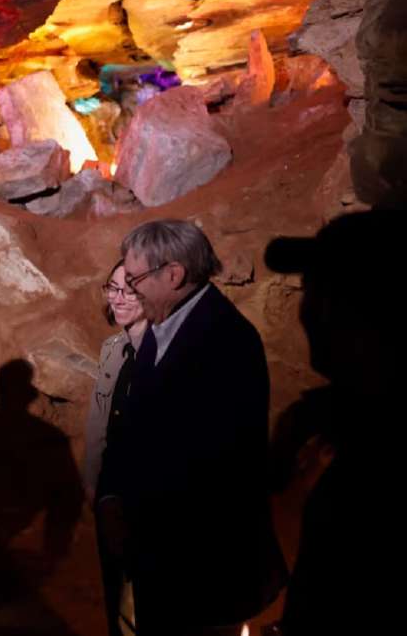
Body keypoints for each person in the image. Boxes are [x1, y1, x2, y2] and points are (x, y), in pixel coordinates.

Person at [97, 219, 285, 635]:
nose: (129, 291)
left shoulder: (228, 340)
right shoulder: (159, 331)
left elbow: (218, 460)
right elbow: (130, 427)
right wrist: (112, 495)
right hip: (158, 554)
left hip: (203, 562)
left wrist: (141, 514)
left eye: (135, 278)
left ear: (174, 274)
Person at [265, 209, 403, 634]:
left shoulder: (336, 440)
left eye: (319, 291)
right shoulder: (318, 422)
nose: (305, 311)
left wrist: (289, 514)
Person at [84, 262, 146, 636]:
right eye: (112, 287)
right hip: (111, 501)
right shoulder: (113, 350)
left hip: (150, 507)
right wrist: (98, 491)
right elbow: (99, 427)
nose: (117, 298)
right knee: (116, 603)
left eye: (129, 290)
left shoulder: (169, 356)